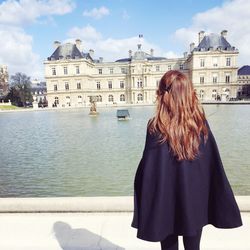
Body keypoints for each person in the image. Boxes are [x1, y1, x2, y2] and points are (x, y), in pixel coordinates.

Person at [131, 70, 243, 250]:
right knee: (193, 247)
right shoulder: (200, 124)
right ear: (189, 93)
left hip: (165, 201)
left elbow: (149, 169)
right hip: (195, 200)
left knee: (168, 246)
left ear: (162, 94)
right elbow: (211, 167)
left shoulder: (155, 127)